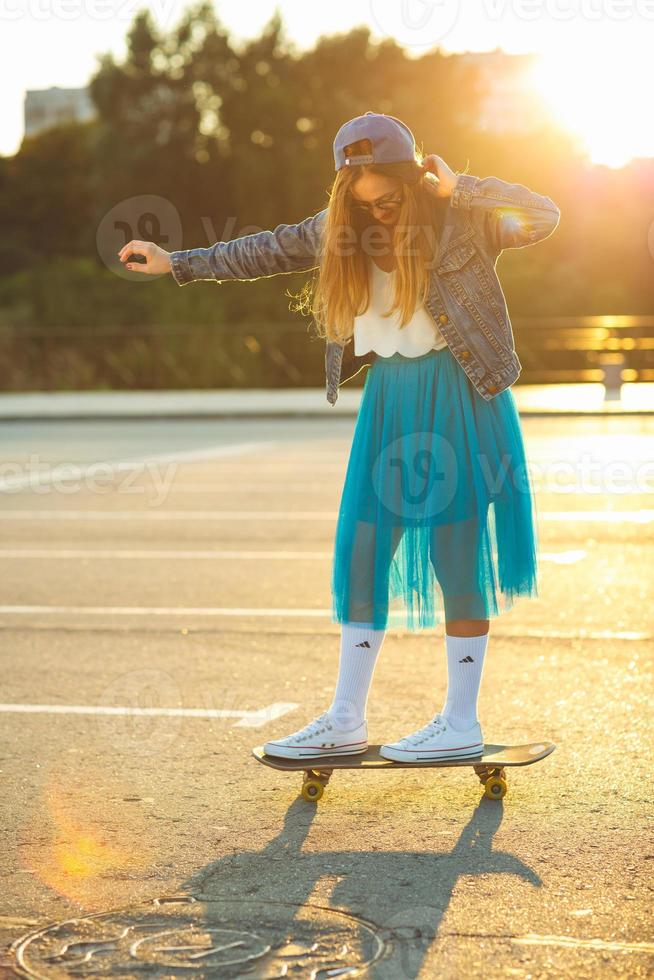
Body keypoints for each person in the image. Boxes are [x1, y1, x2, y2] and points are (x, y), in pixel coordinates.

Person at [117, 111, 560, 764]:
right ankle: (345, 717)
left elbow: (543, 213)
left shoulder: (460, 216)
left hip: (458, 391)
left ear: (413, 180)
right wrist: (176, 261)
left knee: (454, 554)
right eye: (363, 201)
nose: (377, 213)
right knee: (362, 548)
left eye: (389, 199)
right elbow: (260, 250)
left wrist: (457, 187)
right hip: (390, 399)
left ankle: (460, 719)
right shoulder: (337, 231)